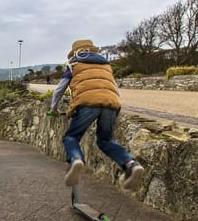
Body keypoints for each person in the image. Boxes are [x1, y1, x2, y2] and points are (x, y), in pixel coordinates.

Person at [49, 39, 144, 190]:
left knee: (71, 137)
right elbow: (115, 89)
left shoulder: (73, 63)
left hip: (87, 103)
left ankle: (76, 160)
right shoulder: (105, 65)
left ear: (75, 52)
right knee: (105, 140)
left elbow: (59, 90)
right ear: (92, 50)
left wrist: (53, 108)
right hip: (111, 104)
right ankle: (130, 164)